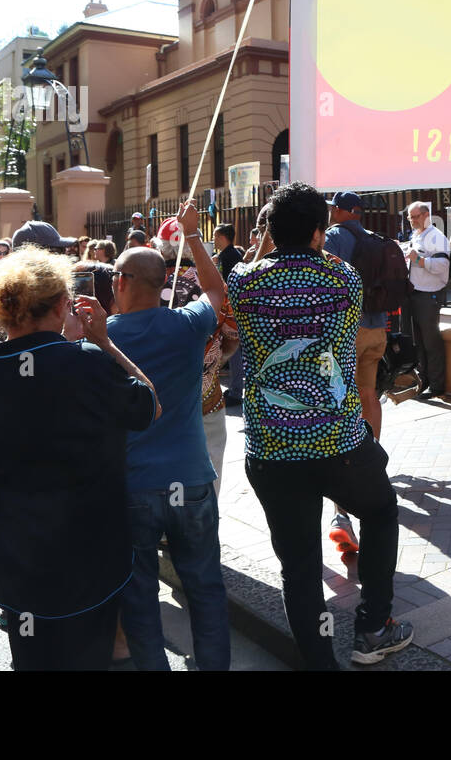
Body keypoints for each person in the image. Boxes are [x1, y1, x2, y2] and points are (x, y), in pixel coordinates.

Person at [229, 182, 411, 668]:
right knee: (379, 511)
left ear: (268, 230)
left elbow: (245, 279)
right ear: (318, 232)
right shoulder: (343, 279)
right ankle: (373, 625)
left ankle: (319, 661)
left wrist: (268, 242)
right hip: (340, 443)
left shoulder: (244, 281)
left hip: (272, 448)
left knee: (300, 565)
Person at [0, 247, 158, 670]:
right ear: (59, 305)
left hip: (16, 556)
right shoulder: (84, 362)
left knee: (30, 659)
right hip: (87, 555)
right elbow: (150, 406)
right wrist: (103, 342)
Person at [107, 200, 230, 671]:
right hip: (191, 480)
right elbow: (217, 291)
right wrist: (195, 236)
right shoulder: (186, 324)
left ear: (120, 283)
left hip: (134, 485)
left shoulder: (104, 340)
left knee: (139, 594)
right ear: (163, 286)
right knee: (204, 587)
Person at [154, 232, 239, 492]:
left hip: (158, 398)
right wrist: (214, 360)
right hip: (206, 396)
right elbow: (233, 334)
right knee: (208, 476)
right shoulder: (213, 286)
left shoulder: (147, 283)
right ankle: (205, 523)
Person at [321, 192, 388, 441]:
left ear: (339, 210)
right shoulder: (373, 238)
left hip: (350, 330)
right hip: (377, 327)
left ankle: (349, 452)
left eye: (332, 209)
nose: (330, 213)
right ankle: (375, 450)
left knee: (342, 392)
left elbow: (326, 281)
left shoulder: (334, 237)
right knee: (369, 393)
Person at [402, 201, 450, 399]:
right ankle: (424, 381)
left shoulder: (436, 237)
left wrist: (419, 260)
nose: (412, 221)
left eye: (414, 217)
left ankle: (437, 385)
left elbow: (443, 264)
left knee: (431, 342)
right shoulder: (417, 235)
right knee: (419, 342)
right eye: (409, 217)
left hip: (428, 294)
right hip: (415, 293)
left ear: (425, 215)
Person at [214, 223, 246, 405]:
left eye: (216, 236)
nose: (215, 239)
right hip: (234, 309)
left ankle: (235, 391)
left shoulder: (229, 257)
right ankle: (236, 388)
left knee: (234, 351)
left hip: (231, 310)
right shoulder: (233, 255)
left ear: (223, 236)